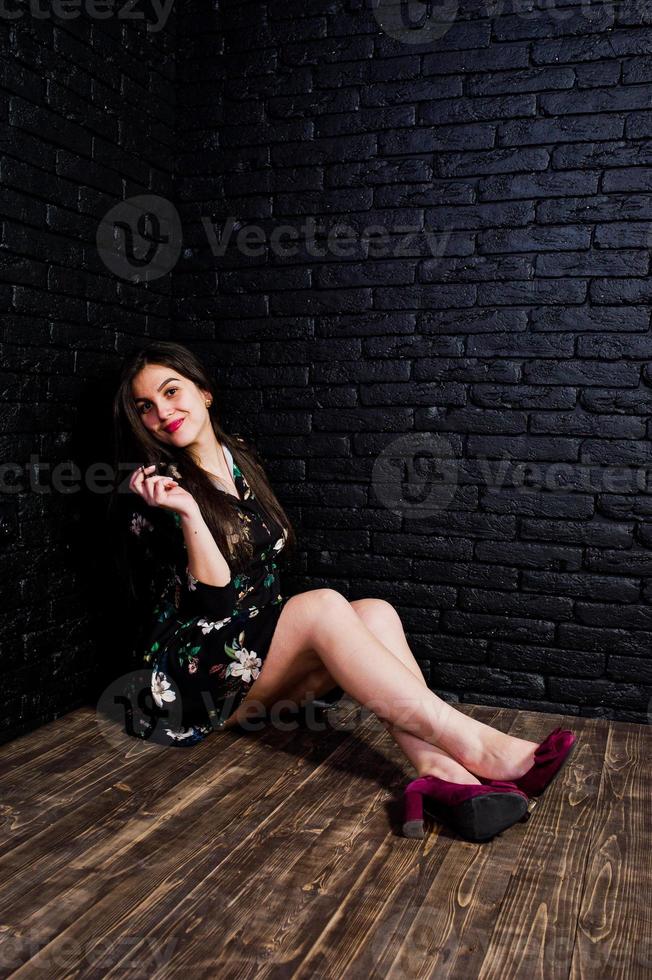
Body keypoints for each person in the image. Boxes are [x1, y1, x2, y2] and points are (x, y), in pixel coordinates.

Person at [109, 340, 577, 843]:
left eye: (171, 391)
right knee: (324, 605)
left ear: (204, 393)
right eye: (146, 407)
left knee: (375, 612)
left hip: (250, 660)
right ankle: (482, 748)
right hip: (191, 679)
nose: (163, 412)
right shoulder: (158, 487)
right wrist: (189, 512)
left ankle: (443, 777)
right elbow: (216, 604)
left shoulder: (238, 456)